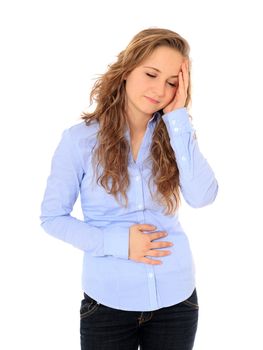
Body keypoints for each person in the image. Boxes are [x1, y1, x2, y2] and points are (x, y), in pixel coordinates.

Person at [40, 27, 218, 350]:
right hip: (108, 304)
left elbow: (203, 195)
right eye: (151, 74)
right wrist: (119, 243)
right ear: (127, 69)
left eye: (171, 82)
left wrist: (177, 117)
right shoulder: (78, 141)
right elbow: (52, 217)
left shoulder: (176, 135)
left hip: (176, 301)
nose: (159, 89)